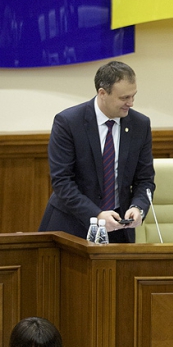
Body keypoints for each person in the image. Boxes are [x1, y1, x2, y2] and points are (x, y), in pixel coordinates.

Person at [38, 61, 155, 243]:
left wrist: (138, 207)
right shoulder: (68, 123)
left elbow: (145, 179)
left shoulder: (140, 125)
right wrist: (96, 215)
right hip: (71, 227)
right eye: (124, 98)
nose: (130, 103)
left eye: (133, 96)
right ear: (102, 93)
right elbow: (62, 181)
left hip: (118, 230)